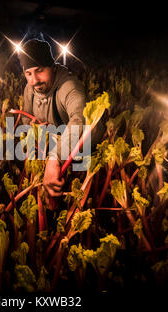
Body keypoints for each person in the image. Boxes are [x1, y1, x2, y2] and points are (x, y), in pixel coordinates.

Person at [17, 38, 106, 199]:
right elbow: (26, 120)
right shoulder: (29, 89)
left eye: (39, 70)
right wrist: (33, 131)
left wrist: (54, 159)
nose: (34, 80)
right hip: (56, 149)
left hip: (85, 150)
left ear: (52, 67)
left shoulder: (69, 87)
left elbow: (79, 120)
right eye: (28, 73)